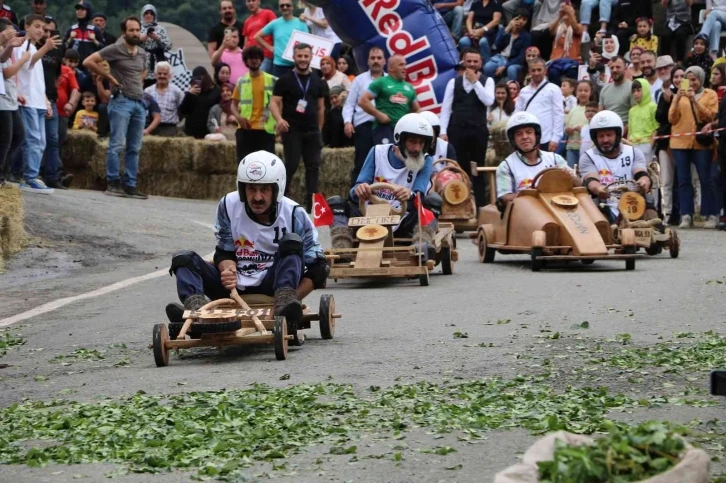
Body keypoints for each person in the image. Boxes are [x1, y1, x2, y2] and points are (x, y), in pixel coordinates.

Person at [165, 150, 329, 342]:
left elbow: (318, 268)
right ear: (242, 189)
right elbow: (224, 251)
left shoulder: (294, 213)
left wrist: (293, 300)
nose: (257, 197)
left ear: (277, 189)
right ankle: (196, 312)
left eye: (264, 190)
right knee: (183, 259)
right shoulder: (228, 205)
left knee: (291, 242)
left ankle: (285, 304)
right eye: (252, 189)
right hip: (233, 288)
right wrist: (227, 268)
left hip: (273, 286)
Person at [331, 113, 436, 253]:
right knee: (336, 202)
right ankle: (342, 248)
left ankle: (422, 245)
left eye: (421, 143)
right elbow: (355, 190)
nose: (417, 148)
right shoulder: (377, 152)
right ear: (400, 139)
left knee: (433, 202)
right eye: (412, 141)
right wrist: (360, 189)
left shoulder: (426, 160)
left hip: (403, 221)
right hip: (367, 219)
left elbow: (420, 193)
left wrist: (410, 194)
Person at [84, 16, 149, 200]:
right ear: (124, 32)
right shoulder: (115, 49)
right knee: (117, 145)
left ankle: (130, 184)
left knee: (135, 147)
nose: (135, 33)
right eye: (131, 30)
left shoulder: (142, 53)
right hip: (121, 101)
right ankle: (113, 182)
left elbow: (142, 72)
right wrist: (109, 77)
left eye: (137, 30)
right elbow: (88, 61)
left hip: (138, 102)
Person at [270, 43, 325, 212]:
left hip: (312, 131)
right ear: (294, 57)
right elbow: (273, 102)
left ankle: (312, 205)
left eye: (306, 56)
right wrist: (279, 119)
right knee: (291, 164)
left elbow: (321, 108)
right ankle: (279, 198)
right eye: (299, 56)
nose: (302, 59)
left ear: (311, 58)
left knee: (313, 167)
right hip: (292, 130)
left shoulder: (318, 81)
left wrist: (319, 130)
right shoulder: (284, 80)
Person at [440, 48, 495, 207]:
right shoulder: (453, 82)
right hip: (457, 130)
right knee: (458, 170)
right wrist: (443, 131)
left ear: (481, 62)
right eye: (468, 61)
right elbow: (446, 108)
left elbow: (488, 101)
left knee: (477, 170)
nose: (471, 64)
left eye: (475, 61)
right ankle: (458, 208)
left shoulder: (487, 81)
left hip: (478, 131)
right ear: (463, 62)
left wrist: (475, 82)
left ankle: (480, 209)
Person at [668, 65, 719, 229]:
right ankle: (686, 215)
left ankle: (710, 214)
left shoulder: (709, 94)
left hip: (701, 143)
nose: (691, 83)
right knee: (683, 180)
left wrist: (694, 101)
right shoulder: (679, 95)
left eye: (694, 80)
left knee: (706, 179)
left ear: (701, 79)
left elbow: (710, 116)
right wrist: (676, 98)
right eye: (687, 80)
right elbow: (672, 119)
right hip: (679, 143)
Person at [580, 110, 652, 223]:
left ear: (617, 135)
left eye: (609, 135)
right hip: (604, 205)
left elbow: (641, 172)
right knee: (599, 221)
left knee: (652, 214)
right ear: (595, 138)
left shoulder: (634, 153)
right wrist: (598, 188)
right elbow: (591, 179)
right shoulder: (588, 157)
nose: (605, 140)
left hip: (633, 202)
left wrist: (644, 182)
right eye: (601, 136)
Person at [15, 14, 59, 194]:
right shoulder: (23, 45)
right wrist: (46, 48)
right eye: (37, 26)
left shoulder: (33, 47)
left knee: (40, 141)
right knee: (33, 139)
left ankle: (31, 175)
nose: (41, 30)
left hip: (38, 101)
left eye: (43, 28)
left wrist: (46, 101)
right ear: (27, 26)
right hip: (28, 101)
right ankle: (30, 177)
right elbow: (27, 64)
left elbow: (38, 80)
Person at [495, 111, 579, 203]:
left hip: (557, 209)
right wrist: (529, 194)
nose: (525, 137)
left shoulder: (555, 159)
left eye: (529, 132)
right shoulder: (506, 166)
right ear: (513, 139)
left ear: (536, 135)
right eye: (519, 134)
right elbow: (504, 197)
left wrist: (571, 177)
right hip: (525, 212)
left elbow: (579, 185)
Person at [343, 47, 385, 186]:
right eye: (373, 58)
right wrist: (348, 122)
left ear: (384, 61)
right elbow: (349, 104)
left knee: (384, 164)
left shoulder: (390, 82)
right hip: (364, 126)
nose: (376, 61)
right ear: (368, 61)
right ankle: (355, 198)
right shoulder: (359, 80)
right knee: (361, 163)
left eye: (379, 58)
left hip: (384, 127)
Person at [359, 55, 420, 146]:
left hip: (403, 130)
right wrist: (378, 114)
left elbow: (417, 109)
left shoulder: (409, 87)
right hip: (384, 128)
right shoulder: (381, 82)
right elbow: (363, 101)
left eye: (405, 65)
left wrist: (411, 121)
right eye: (401, 65)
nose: (405, 68)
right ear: (391, 68)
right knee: (386, 156)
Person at [232, 46, 277, 163]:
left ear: (261, 60)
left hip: (266, 129)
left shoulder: (272, 80)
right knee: (244, 166)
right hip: (245, 128)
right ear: (246, 61)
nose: (254, 60)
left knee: (266, 167)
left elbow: (279, 103)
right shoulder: (241, 81)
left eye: (257, 58)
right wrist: (238, 117)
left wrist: (278, 121)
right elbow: (233, 104)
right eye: (251, 58)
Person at [38, 18, 66, 190]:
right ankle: (26, 173)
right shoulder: (32, 47)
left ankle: (52, 176)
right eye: (43, 29)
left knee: (53, 139)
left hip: (51, 99)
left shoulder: (57, 51)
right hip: (34, 98)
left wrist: (52, 95)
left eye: (50, 31)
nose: (47, 34)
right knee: (33, 138)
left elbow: (57, 75)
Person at [655, 65, 684, 226]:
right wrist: (667, 102)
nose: (679, 80)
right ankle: (666, 214)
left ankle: (682, 213)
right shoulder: (665, 95)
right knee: (665, 180)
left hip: (685, 143)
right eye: (676, 77)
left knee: (682, 180)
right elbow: (659, 117)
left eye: (682, 76)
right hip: (666, 143)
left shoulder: (689, 95)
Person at [514, 57, 564, 152]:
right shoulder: (524, 91)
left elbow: (558, 114)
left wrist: (555, 138)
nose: (536, 73)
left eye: (539, 70)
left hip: (547, 138)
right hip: (527, 138)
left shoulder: (554, 89)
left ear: (545, 71)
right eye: (533, 70)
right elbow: (517, 114)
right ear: (529, 72)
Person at [0, 19, 25, 187]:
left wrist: (9, 45)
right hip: (2, 100)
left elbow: (2, 58)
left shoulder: (4, 47)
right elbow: (7, 71)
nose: (12, 35)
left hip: (7, 96)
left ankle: (3, 172)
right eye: (9, 32)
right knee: (5, 138)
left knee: (18, 135)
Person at [255, 0, 309, 78]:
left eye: (288, 5)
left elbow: (307, 43)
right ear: (279, 8)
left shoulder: (301, 23)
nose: (285, 7)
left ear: (292, 7)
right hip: (279, 66)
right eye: (282, 6)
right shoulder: (275, 23)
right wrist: (270, 48)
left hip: (297, 65)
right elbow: (257, 36)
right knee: (279, 90)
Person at [483, 10, 530, 81]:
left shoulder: (526, 36)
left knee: (511, 69)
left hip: (513, 61)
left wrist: (505, 66)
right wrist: (507, 29)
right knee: (488, 67)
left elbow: (521, 57)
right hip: (499, 58)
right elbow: (496, 46)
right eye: (519, 18)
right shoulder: (504, 30)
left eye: (524, 20)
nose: (521, 21)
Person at [143, 61, 183, 136]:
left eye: (165, 74)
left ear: (170, 75)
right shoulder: (148, 91)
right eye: (159, 73)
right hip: (150, 129)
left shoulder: (177, 91)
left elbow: (182, 111)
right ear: (155, 75)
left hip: (169, 129)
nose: (162, 76)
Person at [180, 66, 221, 139]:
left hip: (208, 132)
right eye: (196, 80)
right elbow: (182, 110)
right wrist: (189, 95)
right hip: (191, 132)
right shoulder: (193, 92)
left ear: (206, 77)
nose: (198, 82)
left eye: (200, 79)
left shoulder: (216, 91)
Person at [139, 4, 172, 88]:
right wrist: (143, 37)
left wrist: (158, 38)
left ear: (154, 15)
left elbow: (168, 46)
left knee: (158, 87)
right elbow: (131, 43)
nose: (148, 15)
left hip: (158, 62)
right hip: (141, 63)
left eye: (151, 13)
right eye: (146, 13)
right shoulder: (137, 28)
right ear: (142, 15)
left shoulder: (161, 29)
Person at [63, 2, 104, 69]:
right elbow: (62, 48)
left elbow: (103, 49)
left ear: (88, 11)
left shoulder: (95, 30)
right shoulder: (72, 29)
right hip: (73, 67)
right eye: (78, 9)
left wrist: (94, 40)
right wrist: (70, 39)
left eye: (82, 9)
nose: (79, 11)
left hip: (90, 68)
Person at [564, 80, 595, 168]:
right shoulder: (573, 110)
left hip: (588, 148)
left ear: (591, 92)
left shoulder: (593, 109)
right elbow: (566, 128)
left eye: (586, 91)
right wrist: (568, 130)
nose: (583, 93)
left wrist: (583, 129)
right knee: (572, 173)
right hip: (571, 147)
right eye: (580, 90)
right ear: (576, 92)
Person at [627, 78, 659, 164]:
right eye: (633, 91)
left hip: (647, 144)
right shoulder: (632, 110)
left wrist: (650, 145)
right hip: (633, 145)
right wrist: (628, 145)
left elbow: (656, 128)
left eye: (638, 90)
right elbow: (630, 130)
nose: (635, 94)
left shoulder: (653, 107)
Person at [598, 56, 632, 132]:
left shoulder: (632, 87)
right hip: (608, 132)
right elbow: (600, 115)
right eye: (612, 68)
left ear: (625, 69)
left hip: (627, 134)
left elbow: (635, 116)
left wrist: (621, 133)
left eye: (618, 67)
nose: (614, 70)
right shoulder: (604, 90)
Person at [242, 0, 276, 73]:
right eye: (248, 1)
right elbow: (246, 41)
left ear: (259, 2)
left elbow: (276, 31)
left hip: (264, 55)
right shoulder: (247, 21)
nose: (251, 3)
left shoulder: (268, 13)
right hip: (250, 57)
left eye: (253, 0)